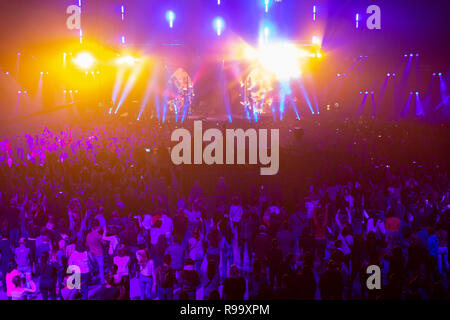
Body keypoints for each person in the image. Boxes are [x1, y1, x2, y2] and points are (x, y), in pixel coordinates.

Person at [86, 220, 106, 285]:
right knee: (101, 268)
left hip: (91, 253)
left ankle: (92, 280)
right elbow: (104, 243)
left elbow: (87, 244)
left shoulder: (88, 235)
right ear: (97, 227)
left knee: (92, 268)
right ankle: (102, 281)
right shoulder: (98, 235)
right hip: (99, 254)